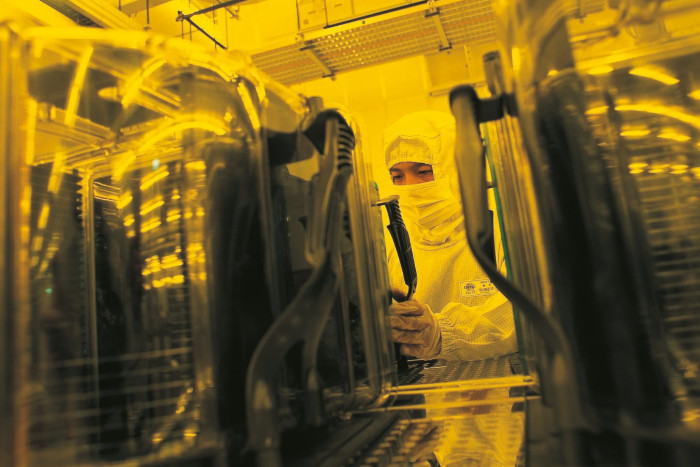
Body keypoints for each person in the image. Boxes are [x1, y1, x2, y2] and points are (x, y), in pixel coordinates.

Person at [382, 110, 517, 362]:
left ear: (454, 170)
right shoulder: (394, 242)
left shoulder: (499, 228)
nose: (410, 186)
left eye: (423, 171)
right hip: (423, 393)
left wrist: (441, 333)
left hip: (501, 386)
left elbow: (520, 314)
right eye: (397, 177)